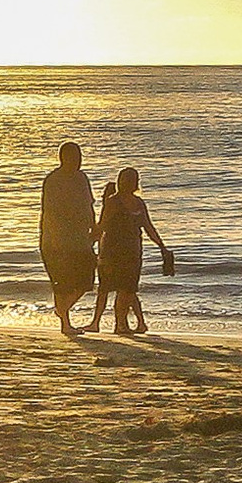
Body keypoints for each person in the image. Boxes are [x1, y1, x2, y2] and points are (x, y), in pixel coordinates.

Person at [88, 166, 174, 337]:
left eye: (132, 180)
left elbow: (148, 227)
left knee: (127, 290)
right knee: (113, 288)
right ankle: (120, 325)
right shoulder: (113, 202)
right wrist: (89, 245)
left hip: (133, 252)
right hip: (112, 252)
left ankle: (120, 324)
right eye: (127, 180)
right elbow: (103, 226)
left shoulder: (139, 203)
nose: (130, 183)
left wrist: (162, 246)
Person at [39, 142, 96, 337]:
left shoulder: (82, 178)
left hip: (80, 239)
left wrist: (94, 226)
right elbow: (51, 212)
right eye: (74, 157)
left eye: (79, 157)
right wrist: (53, 240)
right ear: (63, 158)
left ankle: (61, 310)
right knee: (62, 283)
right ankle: (65, 322)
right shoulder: (53, 180)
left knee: (86, 280)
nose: (78, 161)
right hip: (57, 241)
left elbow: (89, 205)